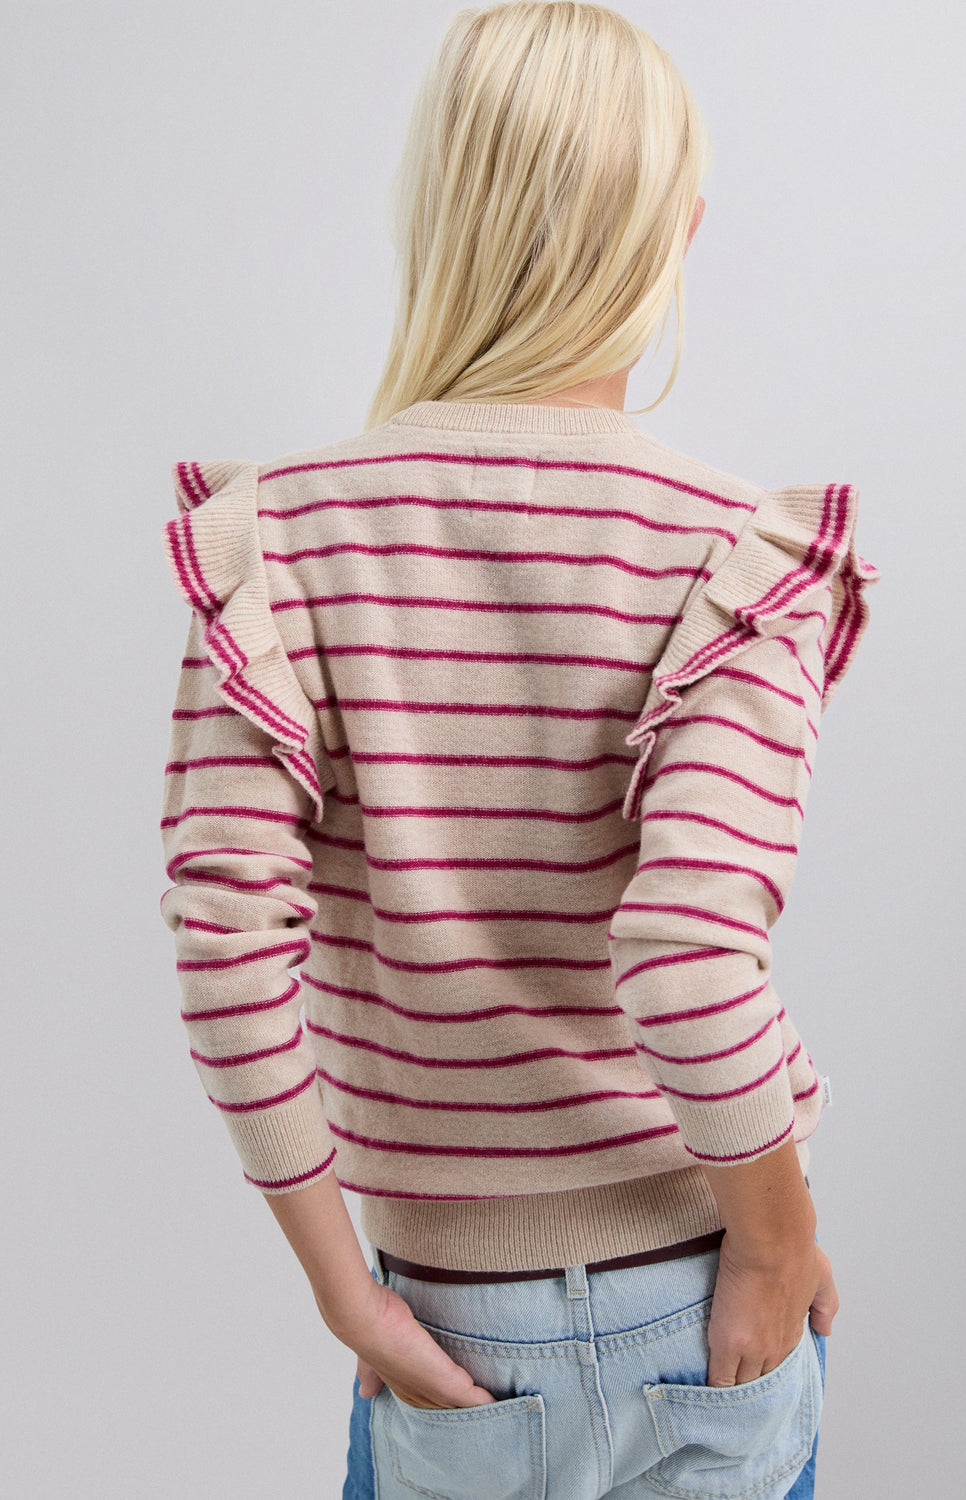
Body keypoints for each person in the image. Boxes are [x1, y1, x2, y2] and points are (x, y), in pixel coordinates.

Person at [158, 4, 879, 1496]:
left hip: (447, 1323)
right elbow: (689, 954)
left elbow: (225, 941)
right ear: (675, 231)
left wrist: (343, 1292)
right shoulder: (730, 558)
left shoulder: (280, 543)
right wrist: (777, 1237)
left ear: (433, 214)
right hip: (708, 1288)